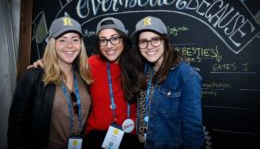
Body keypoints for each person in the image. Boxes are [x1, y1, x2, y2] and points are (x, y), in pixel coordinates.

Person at [27, 17, 143, 149]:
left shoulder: (138, 66)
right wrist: (44, 62)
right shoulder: (90, 64)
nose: (109, 45)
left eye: (115, 38)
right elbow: (65, 61)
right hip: (95, 139)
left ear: (123, 39)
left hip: (131, 138)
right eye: (103, 40)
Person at [8, 16, 92, 149]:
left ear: (81, 44)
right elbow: (17, 126)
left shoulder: (84, 76)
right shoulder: (34, 76)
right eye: (62, 40)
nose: (69, 45)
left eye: (75, 40)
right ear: (53, 44)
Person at [132, 16, 204, 149]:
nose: (149, 46)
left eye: (155, 40)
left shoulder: (187, 76)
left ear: (165, 41)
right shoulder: (145, 69)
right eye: (143, 41)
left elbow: (193, 129)